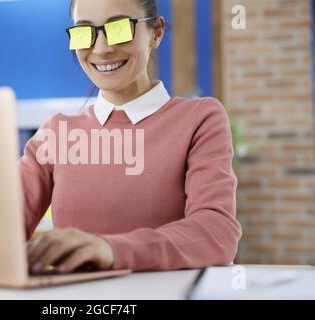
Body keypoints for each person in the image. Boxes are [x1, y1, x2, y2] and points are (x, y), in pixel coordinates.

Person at [19, 0, 242, 274]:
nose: (101, 49)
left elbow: (216, 233)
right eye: (84, 32)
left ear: (156, 33)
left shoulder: (199, 119)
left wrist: (110, 249)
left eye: (119, 28)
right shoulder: (56, 133)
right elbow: (1, 227)